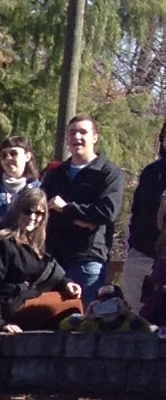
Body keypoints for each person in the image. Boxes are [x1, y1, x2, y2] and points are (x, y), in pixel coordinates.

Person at [0, 185, 81, 332]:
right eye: (27, 211)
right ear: (17, 211)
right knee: (72, 306)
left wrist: (66, 283)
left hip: (24, 300)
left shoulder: (31, 244)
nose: (33, 217)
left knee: (71, 298)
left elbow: (46, 270)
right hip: (6, 309)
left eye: (39, 213)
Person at [42, 115, 122, 298]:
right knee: (52, 322)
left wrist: (65, 208)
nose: (76, 137)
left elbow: (106, 213)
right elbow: (44, 212)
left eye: (83, 132)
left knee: (83, 322)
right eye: (72, 132)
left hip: (87, 261)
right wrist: (80, 219)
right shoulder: (56, 174)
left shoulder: (108, 172)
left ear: (95, 137)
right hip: (53, 261)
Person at [126, 121, 166, 318]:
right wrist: (132, 243)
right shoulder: (152, 172)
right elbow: (137, 210)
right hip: (142, 251)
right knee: (141, 315)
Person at [0, 137, 38, 244]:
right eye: (4, 155)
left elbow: (41, 225)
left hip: (28, 249)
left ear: (27, 156)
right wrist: (11, 222)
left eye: (13, 153)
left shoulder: (38, 190)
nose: (8, 158)